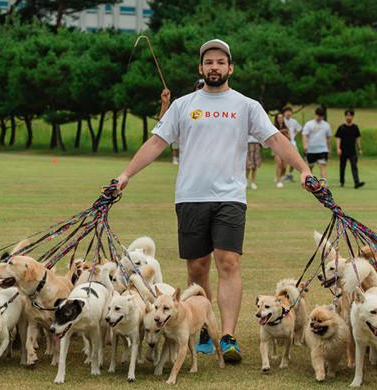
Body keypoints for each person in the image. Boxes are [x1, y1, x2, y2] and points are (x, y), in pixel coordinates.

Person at [115, 39, 312, 364]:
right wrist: (125, 175)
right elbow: (156, 142)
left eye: (221, 62)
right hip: (190, 197)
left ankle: (229, 335)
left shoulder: (246, 105)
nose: (215, 67)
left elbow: (275, 139)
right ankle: (204, 327)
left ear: (230, 67)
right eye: (209, 62)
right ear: (201, 68)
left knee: (229, 262)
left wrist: (303, 170)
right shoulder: (183, 105)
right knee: (197, 267)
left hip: (230, 198)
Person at [162, 79, 205, 165]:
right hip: (189, 161)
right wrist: (165, 104)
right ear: (194, 90)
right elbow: (163, 124)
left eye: (204, 87)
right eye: (199, 87)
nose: (201, 89)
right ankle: (175, 159)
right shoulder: (184, 105)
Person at [335, 109, 365, 188]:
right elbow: (338, 138)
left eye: (350, 115)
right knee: (342, 167)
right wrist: (338, 148)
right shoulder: (341, 127)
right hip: (343, 150)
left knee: (354, 166)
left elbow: (357, 139)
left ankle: (356, 182)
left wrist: (359, 149)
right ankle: (342, 182)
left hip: (352, 151)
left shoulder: (355, 127)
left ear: (353, 116)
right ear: (345, 116)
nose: (349, 117)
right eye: (347, 115)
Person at [302, 107, 332, 180]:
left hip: (322, 149)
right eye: (318, 115)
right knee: (309, 167)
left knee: (322, 166)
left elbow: (329, 138)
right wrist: (305, 145)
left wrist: (329, 149)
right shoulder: (309, 124)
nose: (319, 117)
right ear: (315, 114)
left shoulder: (326, 125)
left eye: (321, 116)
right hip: (311, 149)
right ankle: (311, 183)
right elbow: (305, 135)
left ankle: (324, 185)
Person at [282, 107, 302, 182]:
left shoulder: (294, 121)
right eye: (287, 111)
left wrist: (294, 135)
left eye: (290, 112)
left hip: (292, 143)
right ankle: (281, 176)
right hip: (282, 142)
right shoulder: (281, 121)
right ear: (284, 113)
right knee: (283, 160)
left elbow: (299, 129)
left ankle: (289, 174)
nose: (288, 113)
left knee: (295, 159)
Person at [272, 112, 290, 188]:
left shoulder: (286, 127)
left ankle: (279, 176)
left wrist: (286, 134)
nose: (280, 119)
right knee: (279, 164)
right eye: (279, 118)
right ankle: (279, 181)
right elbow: (272, 137)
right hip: (276, 148)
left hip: (284, 148)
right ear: (276, 119)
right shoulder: (273, 127)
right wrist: (281, 132)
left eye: (281, 118)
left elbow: (289, 138)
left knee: (284, 167)